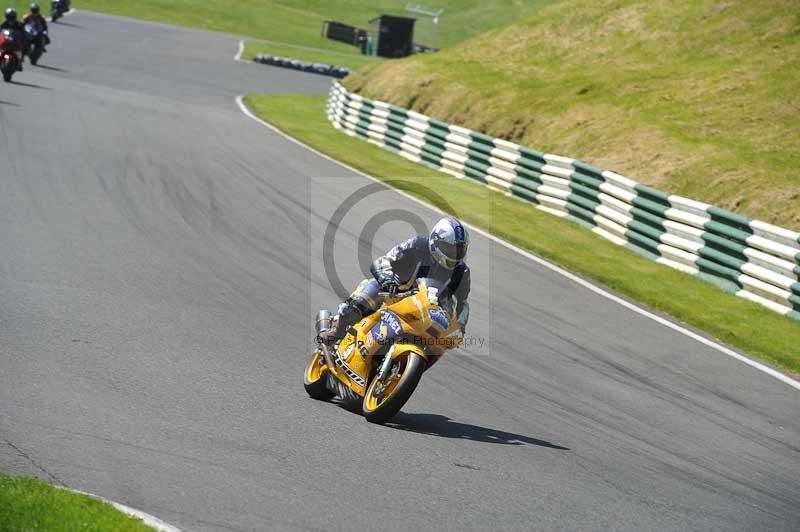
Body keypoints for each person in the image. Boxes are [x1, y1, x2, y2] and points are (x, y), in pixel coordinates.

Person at [321, 216, 471, 343]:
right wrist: (386, 279)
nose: (455, 254)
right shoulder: (418, 245)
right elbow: (385, 260)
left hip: (425, 313)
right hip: (393, 294)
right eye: (451, 249)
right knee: (360, 303)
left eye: (460, 249)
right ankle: (337, 331)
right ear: (435, 241)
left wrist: (460, 327)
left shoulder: (461, 272)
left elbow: (462, 305)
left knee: (438, 345)